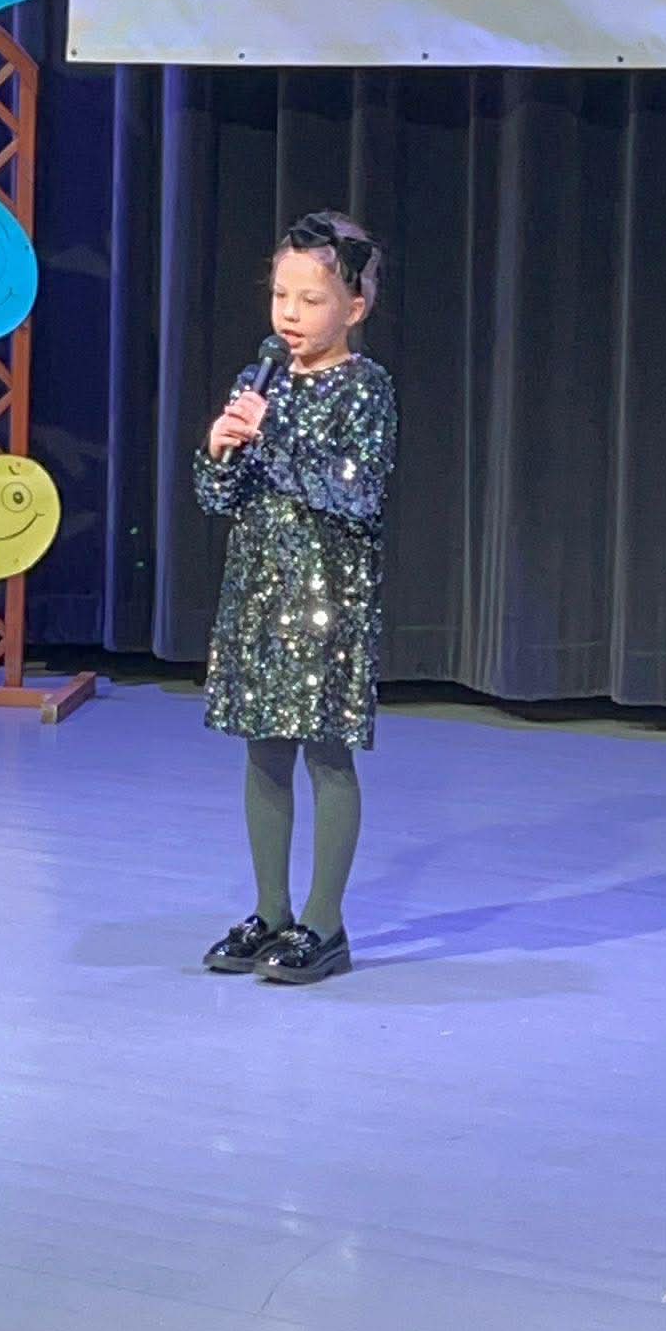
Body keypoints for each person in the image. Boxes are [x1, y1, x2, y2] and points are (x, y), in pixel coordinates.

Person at [194, 211, 397, 983]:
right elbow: (220, 497)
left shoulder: (365, 389)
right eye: (281, 295)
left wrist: (272, 436)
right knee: (264, 750)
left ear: (354, 307)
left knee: (326, 753)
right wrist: (220, 451)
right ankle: (270, 911)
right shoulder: (263, 376)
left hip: (327, 599)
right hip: (258, 591)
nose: (290, 314)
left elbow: (352, 489)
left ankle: (324, 923)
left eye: (311, 300)